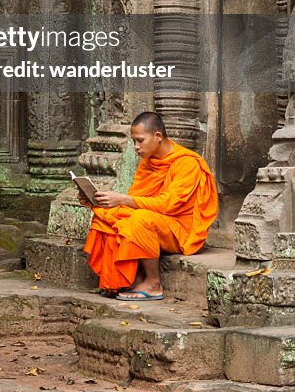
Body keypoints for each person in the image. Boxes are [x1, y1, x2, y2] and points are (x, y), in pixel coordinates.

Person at [80, 111, 218, 300]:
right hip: (158, 220)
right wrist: (96, 201)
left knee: (140, 219)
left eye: (140, 140)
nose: (136, 147)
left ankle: (153, 283)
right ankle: (127, 280)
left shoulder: (187, 163)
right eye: (134, 141)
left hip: (181, 230)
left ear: (158, 136)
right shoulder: (148, 162)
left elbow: (167, 205)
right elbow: (137, 199)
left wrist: (123, 200)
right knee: (106, 217)